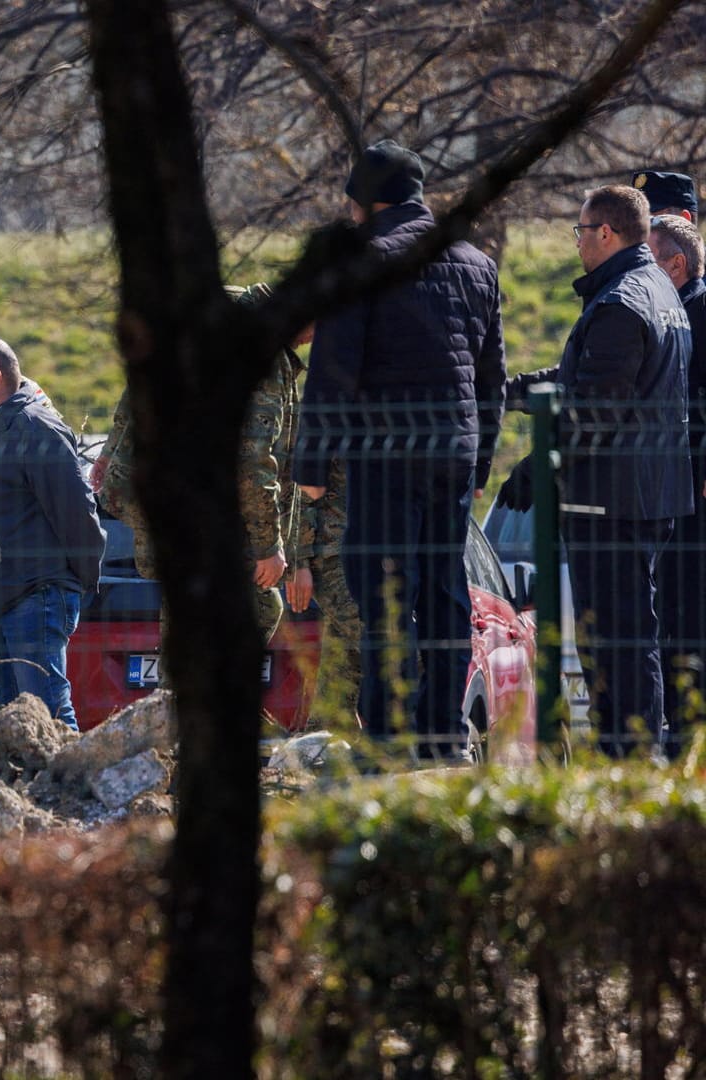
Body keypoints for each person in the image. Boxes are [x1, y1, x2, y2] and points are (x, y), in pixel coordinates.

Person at [296, 139, 507, 759]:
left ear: (364, 202)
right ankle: (444, 733)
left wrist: (311, 466)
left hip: (385, 453)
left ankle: (390, 733)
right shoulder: (475, 262)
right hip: (454, 455)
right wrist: (480, 461)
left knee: (384, 589)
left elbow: (332, 371)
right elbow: (491, 378)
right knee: (445, 590)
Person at [509, 187, 693, 756]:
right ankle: (634, 753)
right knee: (631, 632)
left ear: (605, 233)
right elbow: (584, 374)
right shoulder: (658, 289)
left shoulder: (619, 302)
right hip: (648, 492)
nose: (578, 242)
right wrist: (513, 392)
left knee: (615, 639)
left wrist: (539, 463)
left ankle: (630, 757)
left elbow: (595, 409)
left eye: (581, 231)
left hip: (611, 501)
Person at [95, 283, 304, 644]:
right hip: (207, 510)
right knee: (249, 608)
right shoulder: (260, 352)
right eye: (316, 327)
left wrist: (111, 451)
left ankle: (181, 695)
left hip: (168, 494)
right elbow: (253, 462)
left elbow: (138, 389)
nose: (312, 339)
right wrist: (267, 547)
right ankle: (201, 696)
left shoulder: (212, 312)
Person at [0, 338, 105, 726]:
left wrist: (80, 582)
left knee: (47, 716)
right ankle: (18, 789)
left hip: (34, 598)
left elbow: (78, 513)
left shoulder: (36, 429)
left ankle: (70, 786)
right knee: (6, 724)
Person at [649, 212, 706, 745]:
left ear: (678, 265)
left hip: (695, 491)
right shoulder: (671, 310)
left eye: (651, 259)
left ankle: (689, 731)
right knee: (673, 614)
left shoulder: (699, 311)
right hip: (674, 485)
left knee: (689, 616)